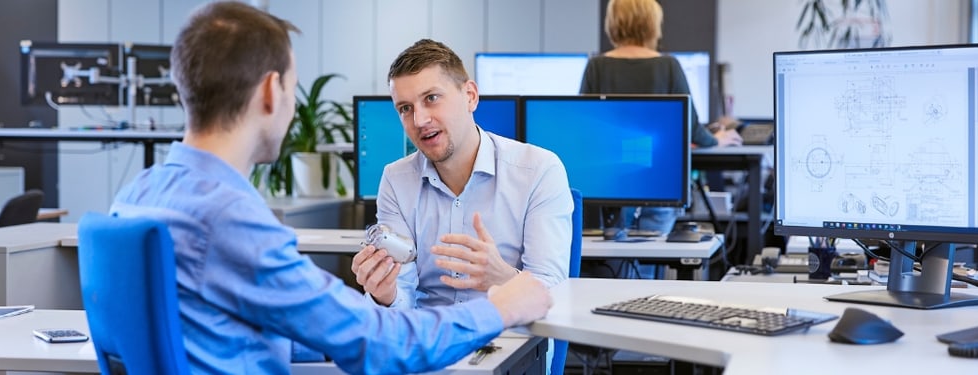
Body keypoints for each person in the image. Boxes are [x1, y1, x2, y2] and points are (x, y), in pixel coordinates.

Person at [108, 3, 553, 374]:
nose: (419, 119)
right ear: (270, 91)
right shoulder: (229, 217)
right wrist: (500, 308)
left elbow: (240, 329)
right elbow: (379, 344)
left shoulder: (134, 197)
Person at [351, 39, 573, 309]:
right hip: (430, 336)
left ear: (470, 96)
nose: (419, 120)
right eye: (405, 108)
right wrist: (385, 294)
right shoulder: (396, 180)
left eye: (431, 98)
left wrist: (503, 278)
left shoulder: (539, 170)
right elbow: (403, 295)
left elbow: (555, 294)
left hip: (508, 334)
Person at [579, 0, 742, 235]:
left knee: (613, 260)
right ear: (653, 24)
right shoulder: (668, 66)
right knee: (650, 261)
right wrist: (719, 139)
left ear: (612, 23)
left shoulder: (596, 66)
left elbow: (585, 126)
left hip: (611, 183)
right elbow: (692, 129)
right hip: (660, 183)